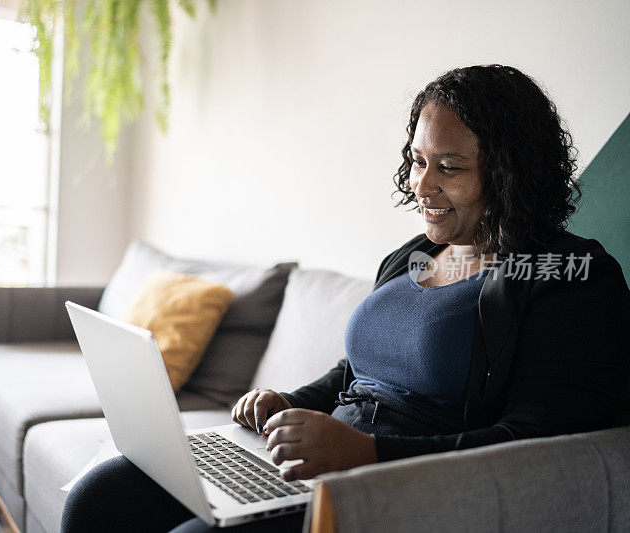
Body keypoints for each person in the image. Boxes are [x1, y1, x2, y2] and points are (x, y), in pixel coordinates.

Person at [61, 65, 630, 532]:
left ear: (512, 174)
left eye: (450, 168)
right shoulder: (417, 253)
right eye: (417, 159)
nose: (422, 185)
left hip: (397, 494)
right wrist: (286, 401)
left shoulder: (571, 278)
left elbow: (536, 445)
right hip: (322, 468)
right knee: (99, 497)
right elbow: (356, 373)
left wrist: (368, 453)